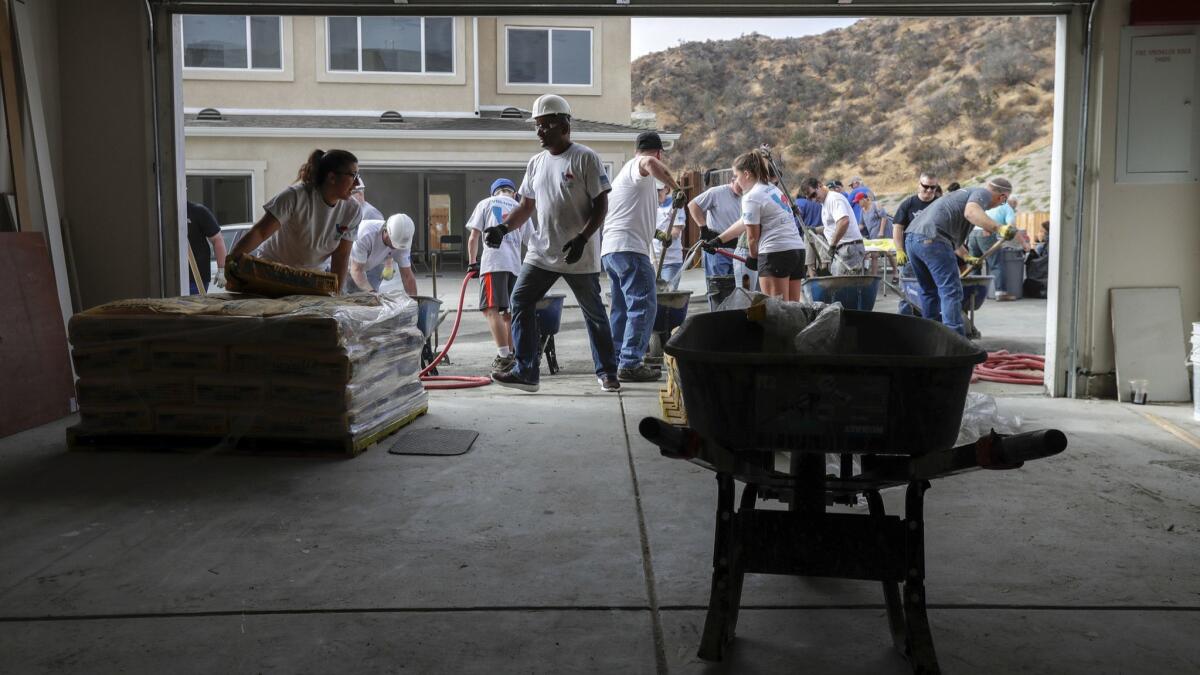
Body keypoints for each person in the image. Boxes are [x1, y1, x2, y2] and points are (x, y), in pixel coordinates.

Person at [484, 94, 619, 393]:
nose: (540, 131)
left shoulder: (585, 157)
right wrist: (503, 228)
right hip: (542, 252)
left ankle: (608, 372)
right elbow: (525, 207)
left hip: (578, 254)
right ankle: (527, 372)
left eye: (546, 124)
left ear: (565, 125)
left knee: (594, 313)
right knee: (520, 301)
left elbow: (601, 205)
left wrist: (583, 238)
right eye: (537, 125)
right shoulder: (536, 163)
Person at [600, 131, 685, 383]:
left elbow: (630, 214)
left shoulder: (625, 177)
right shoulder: (639, 165)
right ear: (658, 152)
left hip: (612, 250)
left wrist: (658, 234)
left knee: (622, 310)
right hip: (630, 250)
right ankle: (631, 363)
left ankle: (617, 359)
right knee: (644, 305)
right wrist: (678, 187)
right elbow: (649, 163)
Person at [228, 149, 363, 292]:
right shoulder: (295, 197)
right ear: (332, 177)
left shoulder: (352, 211)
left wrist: (337, 293)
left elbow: (341, 256)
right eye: (353, 175)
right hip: (272, 271)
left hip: (312, 277)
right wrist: (231, 262)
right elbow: (260, 232)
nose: (357, 182)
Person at [905, 177, 1018, 335]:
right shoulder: (982, 194)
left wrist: (967, 257)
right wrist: (999, 228)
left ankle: (931, 336)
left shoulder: (962, 196)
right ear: (1002, 197)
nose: (1001, 204)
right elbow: (971, 213)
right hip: (933, 239)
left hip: (912, 239)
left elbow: (954, 239)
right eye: (1003, 202)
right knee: (950, 291)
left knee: (929, 290)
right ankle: (955, 340)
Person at [703, 150, 806, 301]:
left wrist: (753, 256)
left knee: (777, 310)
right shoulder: (772, 188)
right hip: (796, 250)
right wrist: (718, 240)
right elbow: (745, 221)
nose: (736, 181)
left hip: (775, 253)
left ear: (746, 174)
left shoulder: (751, 197)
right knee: (793, 308)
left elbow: (752, 237)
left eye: (736, 176)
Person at [465, 178, 533, 372]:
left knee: (490, 309)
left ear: (494, 192)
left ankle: (504, 357)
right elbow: (533, 242)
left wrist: (472, 263)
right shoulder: (521, 208)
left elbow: (474, 237)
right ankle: (510, 354)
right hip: (515, 266)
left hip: (493, 264)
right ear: (513, 192)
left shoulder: (485, 203)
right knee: (509, 313)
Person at [891, 172, 941, 315]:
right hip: (910, 256)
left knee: (932, 290)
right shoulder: (909, 204)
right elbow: (897, 228)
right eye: (926, 186)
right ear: (919, 185)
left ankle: (930, 320)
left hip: (934, 255)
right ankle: (905, 320)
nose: (930, 190)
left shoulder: (940, 203)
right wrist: (899, 250)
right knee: (908, 291)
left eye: (933, 187)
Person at [803, 177, 864, 276]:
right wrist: (816, 230)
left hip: (848, 248)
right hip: (843, 249)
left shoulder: (833, 199)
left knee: (841, 287)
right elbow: (834, 226)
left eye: (814, 194)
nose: (814, 200)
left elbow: (844, 221)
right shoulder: (825, 203)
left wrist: (832, 245)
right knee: (838, 285)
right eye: (810, 198)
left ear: (819, 185)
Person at [347, 213, 418, 296]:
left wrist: (415, 302)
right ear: (386, 231)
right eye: (394, 244)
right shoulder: (366, 234)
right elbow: (357, 270)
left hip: (369, 267)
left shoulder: (402, 242)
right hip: (344, 267)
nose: (396, 249)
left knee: (370, 300)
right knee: (343, 298)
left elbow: (407, 276)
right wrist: (372, 293)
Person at [688, 176, 742, 283]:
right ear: (732, 180)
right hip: (718, 251)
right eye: (739, 184)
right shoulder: (717, 193)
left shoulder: (747, 196)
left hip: (738, 252)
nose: (742, 188)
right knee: (718, 289)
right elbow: (693, 205)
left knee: (736, 292)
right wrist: (703, 227)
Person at [969, 196, 1022, 300]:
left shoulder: (990, 204)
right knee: (996, 264)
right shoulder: (1007, 208)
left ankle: (974, 294)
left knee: (975, 264)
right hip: (987, 234)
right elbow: (1012, 227)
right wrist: (1024, 244)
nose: (1015, 208)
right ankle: (1001, 293)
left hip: (973, 233)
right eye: (1015, 206)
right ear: (1013, 203)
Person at [186, 200, 226, 294]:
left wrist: (222, 269)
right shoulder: (162, 213)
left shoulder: (198, 211)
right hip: (170, 277)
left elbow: (217, 240)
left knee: (195, 307)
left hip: (196, 278)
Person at [652, 182, 686, 284]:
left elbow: (676, 231)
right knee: (653, 296)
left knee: (668, 294)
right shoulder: (649, 205)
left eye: (659, 190)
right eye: (654, 190)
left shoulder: (675, 205)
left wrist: (666, 237)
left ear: (666, 189)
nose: (656, 193)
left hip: (671, 260)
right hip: (652, 259)